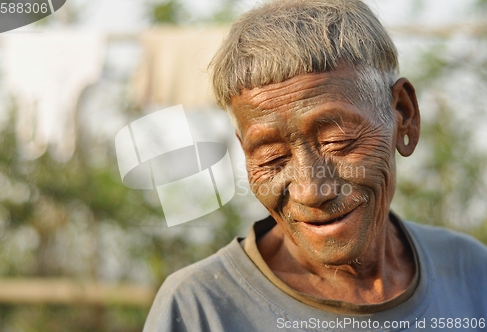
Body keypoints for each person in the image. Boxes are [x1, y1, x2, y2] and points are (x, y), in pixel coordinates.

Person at [143, 0, 487, 331]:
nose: (311, 190)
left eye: (337, 141)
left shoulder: (471, 273)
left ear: (403, 114)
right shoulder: (198, 309)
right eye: (271, 157)